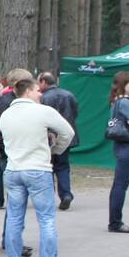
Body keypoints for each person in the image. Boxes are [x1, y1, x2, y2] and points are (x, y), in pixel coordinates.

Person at [0, 77, 75, 257]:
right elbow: (68, 132)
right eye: (37, 90)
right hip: (38, 169)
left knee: (14, 218)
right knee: (46, 218)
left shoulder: (5, 115)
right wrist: (55, 150)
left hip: (13, 169)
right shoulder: (43, 111)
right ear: (28, 92)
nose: (40, 93)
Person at [0, 69, 33, 211]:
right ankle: (11, 201)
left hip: (4, 142)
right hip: (11, 143)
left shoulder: (0, 100)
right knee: (8, 172)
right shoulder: (17, 102)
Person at [107, 71, 129, 234]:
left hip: (119, 144)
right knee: (121, 185)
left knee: (118, 185)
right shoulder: (125, 103)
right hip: (127, 145)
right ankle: (115, 222)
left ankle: (114, 221)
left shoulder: (115, 101)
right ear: (123, 85)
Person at [38, 72, 79, 210]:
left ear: (43, 82)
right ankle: (66, 194)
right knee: (63, 166)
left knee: (47, 167)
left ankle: (49, 196)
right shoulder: (69, 95)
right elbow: (75, 113)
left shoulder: (43, 98)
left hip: (48, 137)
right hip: (65, 136)